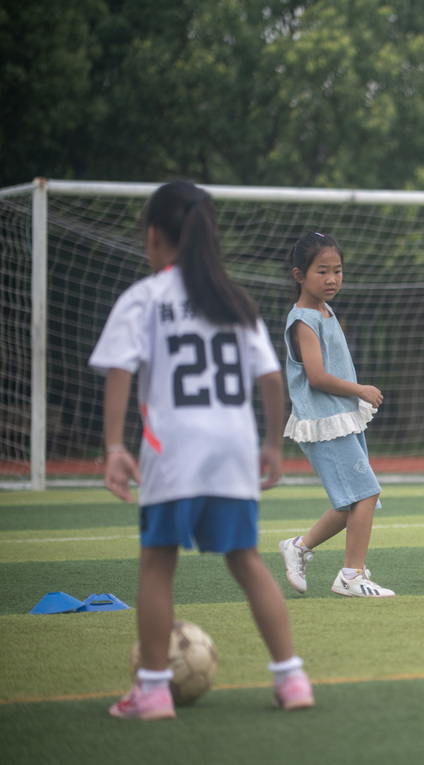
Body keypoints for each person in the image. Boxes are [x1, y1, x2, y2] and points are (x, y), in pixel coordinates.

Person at [91, 180, 313, 719]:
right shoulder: (232, 299)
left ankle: (152, 689)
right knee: (246, 562)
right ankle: (291, 680)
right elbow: (270, 378)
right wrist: (270, 445)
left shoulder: (145, 297)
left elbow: (120, 369)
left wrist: (116, 446)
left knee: (157, 564)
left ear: (152, 236)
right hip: (232, 447)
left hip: (174, 449)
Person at [276, 232, 393, 598]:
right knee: (366, 494)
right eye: (322, 271)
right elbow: (317, 376)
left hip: (343, 418)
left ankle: (299, 547)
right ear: (299, 275)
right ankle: (351, 575)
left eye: (338, 271)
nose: (332, 279)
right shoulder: (304, 321)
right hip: (323, 423)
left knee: (354, 501)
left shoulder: (327, 311)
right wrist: (360, 390)